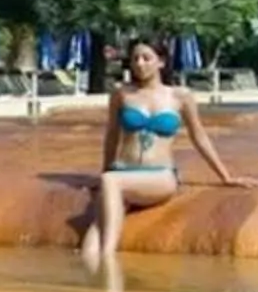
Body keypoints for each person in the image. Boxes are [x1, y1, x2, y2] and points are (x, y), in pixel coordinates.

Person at [81, 36, 237, 271]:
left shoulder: (179, 96)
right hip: (122, 173)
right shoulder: (122, 95)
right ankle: (93, 288)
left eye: (146, 58)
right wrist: (105, 171)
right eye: (135, 59)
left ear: (161, 62)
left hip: (159, 176)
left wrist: (226, 176)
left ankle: (109, 262)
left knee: (109, 189)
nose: (140, 64)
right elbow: (112, 135)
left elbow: (199, 137)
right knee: (89, 245)